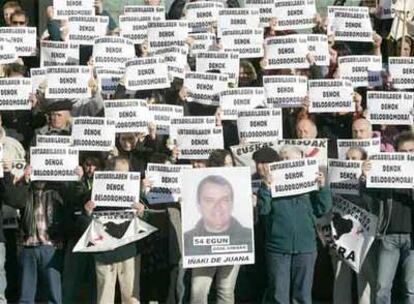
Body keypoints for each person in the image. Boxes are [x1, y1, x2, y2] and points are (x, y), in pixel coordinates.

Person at [256, 146, 332, 304]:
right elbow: (263, 211)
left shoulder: (310, 182)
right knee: (279, 296)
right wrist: (265, 189)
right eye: (282, 159)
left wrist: (322, 187)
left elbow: (323, 209)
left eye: (288, 159)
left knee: (303, 296)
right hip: (278, 248)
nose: (284, 162)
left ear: (299, 162)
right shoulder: (272, 183)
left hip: (305, 247)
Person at [187, 150, 252, 304]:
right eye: (225, 164)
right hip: (202, 243)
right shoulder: (198, 181)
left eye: (231, 163)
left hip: (234, 243)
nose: (229, 167)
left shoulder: (240, 183)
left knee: (226, 289)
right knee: (198, 289)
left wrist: (252, 202)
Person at [360, 131, 414, 304]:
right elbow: (370, 200)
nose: (407, 155)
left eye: (411, 151)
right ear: (396, 153)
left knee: (410, 289)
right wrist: (365, 178)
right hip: (389, 236)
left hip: (412, 238)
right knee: (382, 287)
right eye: (403, 152)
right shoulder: (386, 172)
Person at [83, 156, 146, 304]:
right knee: (104, 296)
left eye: (126, 173)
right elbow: (82, 224)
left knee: (131, 296)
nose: (123, 177)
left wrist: (142, 212)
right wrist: (87, 213)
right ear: (108, 172)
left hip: (128, 250)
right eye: (119, 173)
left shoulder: (135, 194)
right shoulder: (93, 194)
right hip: (104, 251)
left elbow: (145, 224)